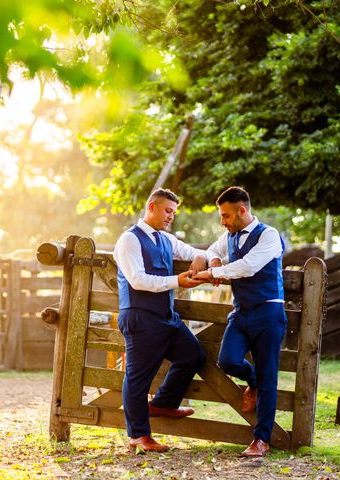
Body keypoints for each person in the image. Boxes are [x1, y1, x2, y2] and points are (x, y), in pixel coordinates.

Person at [194, 186, 286, 458]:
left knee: (270, 376)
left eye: (225, 216)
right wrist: (209, 259)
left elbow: (248, 267)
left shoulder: (268, 235)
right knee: (227, 361)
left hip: (268, 313)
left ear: (242, 211)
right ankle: (251, 379)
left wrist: (213, 273)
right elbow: (213, 248)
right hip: (241, 312)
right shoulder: (229, 235)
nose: (222, 222)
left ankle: (261, 440)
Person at [114, 188, 207, 452]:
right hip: (140, 316)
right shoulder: (129, 240)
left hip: (167, 317)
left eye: (174, 213)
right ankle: (138, 436)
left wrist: (201, 258)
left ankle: (164, 403)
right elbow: (138, 280)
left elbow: (191, 252)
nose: (171, 217)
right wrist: (177, 280)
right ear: (152, 207)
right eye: (167, 211)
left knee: (193, 356)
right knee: (137, 377)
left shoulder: (166, 239)